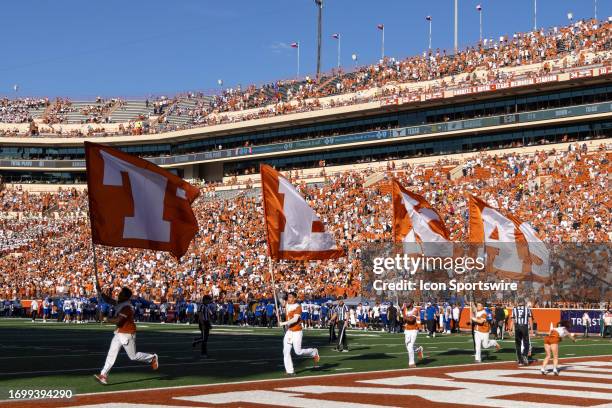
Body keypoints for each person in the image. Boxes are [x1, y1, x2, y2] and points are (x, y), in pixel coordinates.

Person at [94, 286, 158, 385]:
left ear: (126, 297)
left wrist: (105, 318)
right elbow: (109, 300)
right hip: (119, 332)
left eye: (121, 294)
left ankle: (152, 358)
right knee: (111, 354)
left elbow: (119, 321)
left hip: (127, 334)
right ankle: (103, 375)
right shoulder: (121, 303)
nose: (119, 294)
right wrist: (100, 292)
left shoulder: (127, 308)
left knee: (133, 356)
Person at [279, 292, 319, 376]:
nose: (288, 298)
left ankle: (313, 352)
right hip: (289, 332)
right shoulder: (286, 304)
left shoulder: (298, 307)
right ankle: (290, 371)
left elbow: (295, 319)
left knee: (298, 352)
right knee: (286, 351)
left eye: (290, 297)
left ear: (294, 298)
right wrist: (278, 293)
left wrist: (283, 323)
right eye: (288, 297)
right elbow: (280, 300)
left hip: (297, 331)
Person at [511, 300, 533, 366]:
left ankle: (520, 361)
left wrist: (510, 329)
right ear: (524, 303)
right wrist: (531, 329)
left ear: (518, 303)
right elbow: (530, 319)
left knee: (518, 344)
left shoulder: (514, 309)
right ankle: (524, 354)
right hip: (524, 327)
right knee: (526, 343)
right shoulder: (527, 309)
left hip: (517, 327)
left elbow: (513, 320)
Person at [402, 301, 424, 368]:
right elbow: (404, 320)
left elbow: (411, 320)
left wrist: (405, 317)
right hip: (407, 330)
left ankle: (411, 362)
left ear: (411, 303)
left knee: (410, 346)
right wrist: (405, 317)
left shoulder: (415, 310)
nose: (406, 303)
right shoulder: (405, 309)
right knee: (407, 345)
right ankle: (418, 349)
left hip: (414, 329)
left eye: (408, 302)